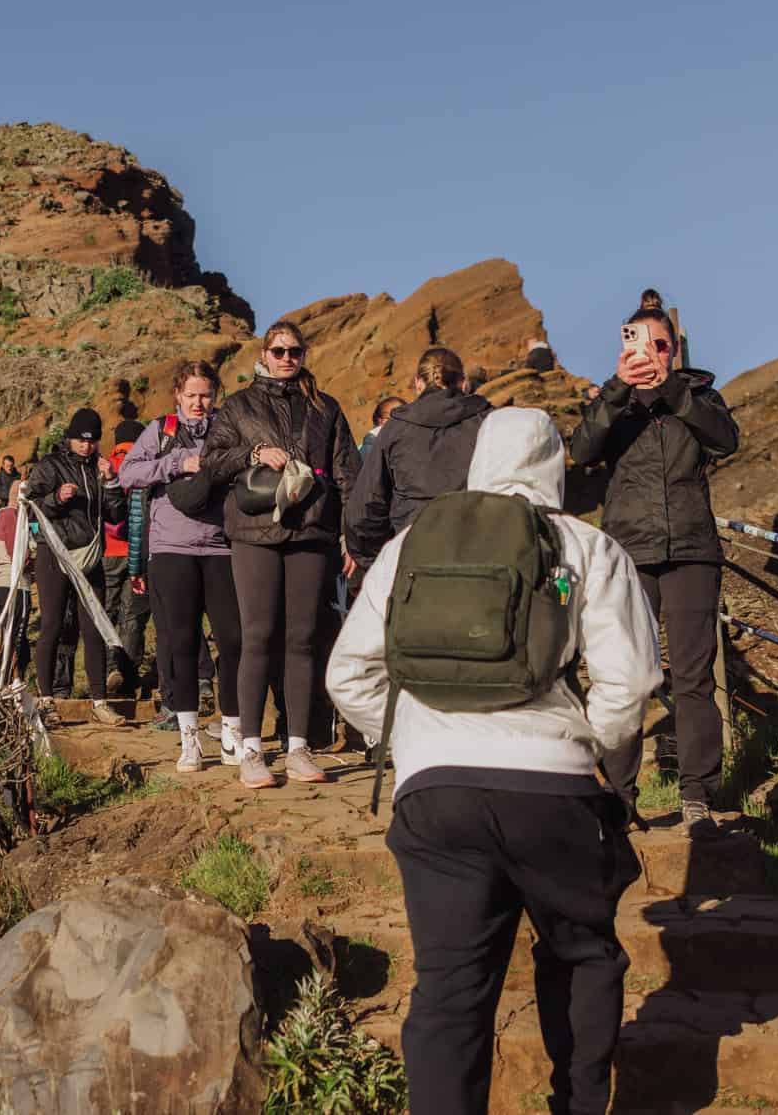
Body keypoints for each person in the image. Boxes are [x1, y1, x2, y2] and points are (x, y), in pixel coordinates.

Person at [327, 408, 660, 1115]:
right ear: (555, 466)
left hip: (435, 796)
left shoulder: (412, 546)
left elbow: (347, 676)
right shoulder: (586, 546)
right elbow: (629, 684)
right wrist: (588, 747)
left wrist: (408, 745)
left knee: (449, 990)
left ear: (479, 461)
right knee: (581, 955)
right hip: (553, 791)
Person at [569, 302, 740, 836]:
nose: (652, 353)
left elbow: (726, 440)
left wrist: (673, 390)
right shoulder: (611, 399)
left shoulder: (699, 395)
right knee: (623, 677)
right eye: (641, 343)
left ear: (675, 347)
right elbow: (581, 450)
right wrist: (619, 389)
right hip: (629, 553)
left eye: (661, 344)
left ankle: (697, 799)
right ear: (624, 347)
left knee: (693, 679)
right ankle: (618, 800)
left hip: (691, 549)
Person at [202, 320, 360, 788]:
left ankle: (298, 747)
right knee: (258, 637)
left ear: (304, 354)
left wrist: (351, 537)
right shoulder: (237, 406)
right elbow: (211, 463)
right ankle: (251, 749)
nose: (287, 358)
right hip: (253, 532)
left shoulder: (325, 408)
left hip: (313, 533)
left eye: (295, 351)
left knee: (303, 639)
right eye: (279, 350)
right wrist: (253, 453)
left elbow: (348, 472)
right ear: (264, 353)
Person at [119, 361, 243, 773]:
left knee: (234, 640)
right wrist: (178, 463)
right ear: (178, 396)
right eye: (190, 395)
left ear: (215, 396)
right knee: (182, 644)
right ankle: (190, 739)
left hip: (223, 548)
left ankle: (231, 732)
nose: (198, 402)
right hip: (172, 549)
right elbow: (128, 474)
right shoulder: (160, 430)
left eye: (205, 395)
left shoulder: (229, 429)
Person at [24, 408, 127, 724]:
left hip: (90, 558)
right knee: (52, 625)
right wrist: (56, 497)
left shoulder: (99, 469)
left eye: (92, 440)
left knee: (93, 626)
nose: (86, 446)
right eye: (81, 440)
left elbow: (114, 516)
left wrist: (110, 483)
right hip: (54, 554)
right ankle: (46, 701)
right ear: (69, 438)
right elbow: (31, 509)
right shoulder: (50, 466)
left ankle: (99, 703)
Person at [346, 347, 492, 570]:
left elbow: (365, 508)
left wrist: (381, 561)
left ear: (418, 383)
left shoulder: (395, 428)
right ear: (463, 382)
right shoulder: (489, 421)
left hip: (411, 555)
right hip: (477, 555)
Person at [98, 420, 150, 696]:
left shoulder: (104, 466)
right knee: (132, 619)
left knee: (106, 613)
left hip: (107, 552)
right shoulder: (145, 466)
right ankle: (129, 680)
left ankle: (109, 670)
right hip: (137, 553)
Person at [0, 486, 33, 679]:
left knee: (13, 645)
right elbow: (20, 556)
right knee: (13, 646)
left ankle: (11, 686)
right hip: (13, 588)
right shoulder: (12, 517)